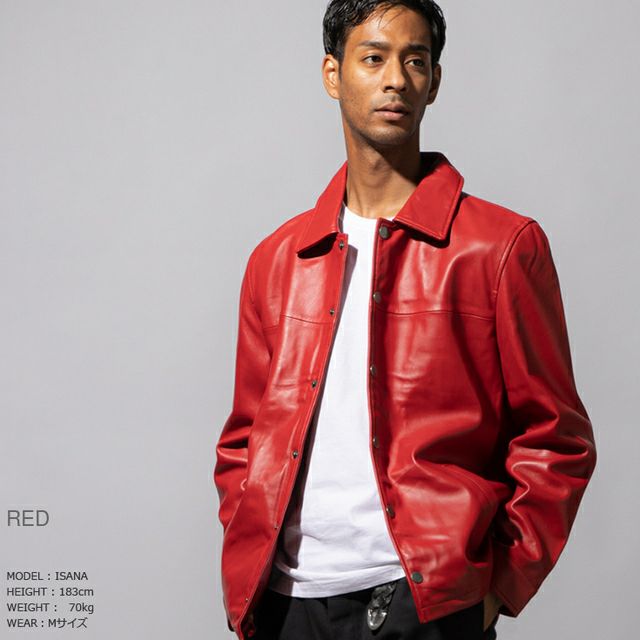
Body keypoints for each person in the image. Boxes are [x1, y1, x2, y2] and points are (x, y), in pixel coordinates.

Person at [213, 1, 597, 638]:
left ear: (434, 82)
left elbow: (556, 439)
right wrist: (245, 545)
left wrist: (496, 589)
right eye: (373, 58)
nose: (395, 79)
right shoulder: (278, 260)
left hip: (425, 601)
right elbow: (244, 441)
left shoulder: (499, 247)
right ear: (333, 74)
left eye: (415, 61)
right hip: (285, 602)